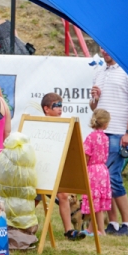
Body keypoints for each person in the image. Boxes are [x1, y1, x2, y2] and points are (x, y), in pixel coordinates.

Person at [89, 48, 128, 237]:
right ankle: (113, 223)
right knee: (104, 179)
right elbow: (94, 107)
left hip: (119, 133)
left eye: (108, 48)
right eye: (102, 48)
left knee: (112, 177)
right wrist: (94, 98)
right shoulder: (99, 71)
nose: (105, 51)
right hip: (101, 133)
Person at [41, 93, 84, 241]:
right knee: (33, 198)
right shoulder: (38, 125)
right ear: (46, 109)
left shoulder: (65, 125)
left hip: (56, 172)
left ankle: (69, 231)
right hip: (40, 170)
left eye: (61, 106)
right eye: (56, 106)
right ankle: (22, 228)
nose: (60, 109)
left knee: (63, 195)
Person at [82, 109, 114, 235]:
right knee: (98, 199)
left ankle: (101, 229)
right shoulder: (105, 138)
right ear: (106, 124)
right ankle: (91, 228)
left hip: (92, 170)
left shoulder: (90, 137)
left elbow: (86, 154)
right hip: (103, 170)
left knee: (94, 202)